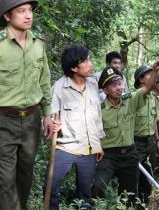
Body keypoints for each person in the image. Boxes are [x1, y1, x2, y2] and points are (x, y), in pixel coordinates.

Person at [0, 0, 53, 210]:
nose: (28, 15)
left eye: (30, 10)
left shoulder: (38, 44)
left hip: (31, 119)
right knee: (6, 180)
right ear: (7, 16)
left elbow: (44, 82)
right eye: (21, 11)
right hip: (3, 122)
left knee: (25, 176)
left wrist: (48, 113)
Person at [92, 58, 159, 207]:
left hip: (130, 154)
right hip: (108, 155)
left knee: (129, 195)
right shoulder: (99, 109)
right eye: (113, 85)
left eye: (119, 83)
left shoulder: (130, 100)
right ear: (104, 90)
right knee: (98, 186)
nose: (118, 88)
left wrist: (154, 70)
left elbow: (147, 88)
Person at [43, 45, 105, 209]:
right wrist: (52, 122)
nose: (90, 64)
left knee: (84, 193)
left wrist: (99, 144)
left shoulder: (92, 85)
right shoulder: (60, 87)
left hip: (89, 149)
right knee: (51, 185)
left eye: (89, 59)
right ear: (73, 67)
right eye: (85, 61)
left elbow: (97, 117)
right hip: (66, 147)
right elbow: (49, 114)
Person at [133, 65, 159, 204]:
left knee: (149, 175)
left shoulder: (152, 97)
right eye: (148, 75)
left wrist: (157, 142)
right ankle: (131, 204)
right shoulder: (135, 97)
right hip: (136, 142)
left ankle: (144, 204)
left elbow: (153, 121)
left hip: (150, 142)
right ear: (141, 79)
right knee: (134, 176)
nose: (153, 78)